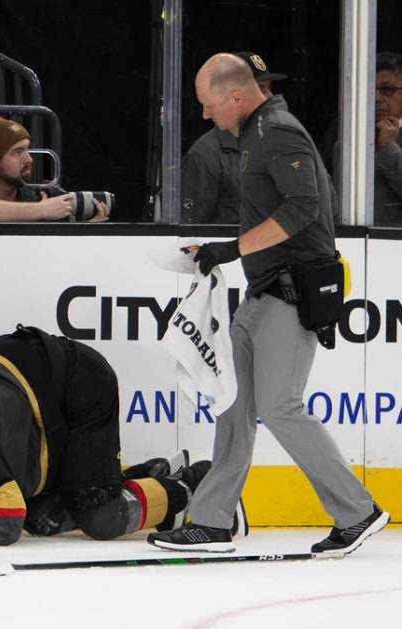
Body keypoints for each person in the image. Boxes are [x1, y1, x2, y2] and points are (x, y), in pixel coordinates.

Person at [149, 53, 389, 556]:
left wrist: (230, 249)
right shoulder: (253, 136)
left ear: (236, 97)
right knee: (234, 403)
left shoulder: (276, 132)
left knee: (280, 407)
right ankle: (213, 522)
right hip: (262, 293)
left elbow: (305, 207)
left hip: (290, 292)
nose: (205, 115)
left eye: (207, 103)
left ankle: (358, 511)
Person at [0, 325, 236, 546]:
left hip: (72, 380)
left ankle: (198, 486)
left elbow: (4, 519)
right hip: (23, 387)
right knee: (43, 516)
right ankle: (152, 473)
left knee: (101, 517)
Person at [0, 113, 111, 222]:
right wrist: (41, 210)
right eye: (17, 152)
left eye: (27, 150)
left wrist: (88, 229)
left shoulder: (40, 194)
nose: (29, 159)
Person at [181, 52, 288, 225]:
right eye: (260, 88)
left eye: (268, 88)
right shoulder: (205, 155)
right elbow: (189, 232)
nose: (268, 96)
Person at [373, 52, 402, 227]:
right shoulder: (346, 131)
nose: (376, 98)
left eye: (387, 90)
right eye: (370, 89)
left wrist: (388, 148)